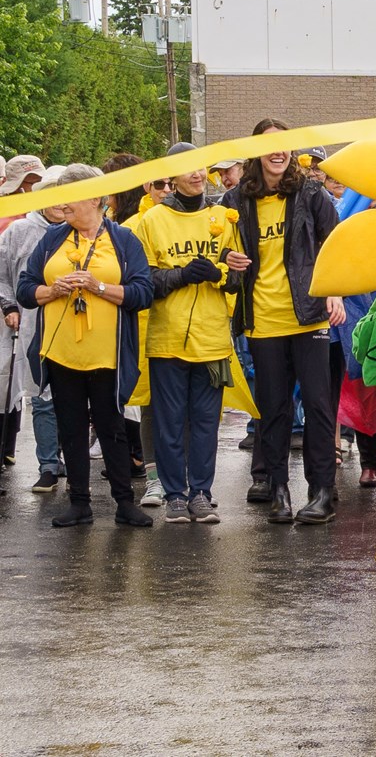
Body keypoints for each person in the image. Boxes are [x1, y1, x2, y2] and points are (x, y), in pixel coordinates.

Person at [222, 118, 345, 525]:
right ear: (254, 150)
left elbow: (337, 243)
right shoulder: (235, 200)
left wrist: (334, 290)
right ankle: (278, 491)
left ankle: (322, 493)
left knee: (318, 407)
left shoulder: (310, 192)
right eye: (270, 145)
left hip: (309, 318)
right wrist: (228, 261)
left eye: (286, 144)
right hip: (262, 321)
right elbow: (218, 251)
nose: (279, 152)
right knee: (272, 410)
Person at [18, 164, 155, 528]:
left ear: (96, 197)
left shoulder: (123, 240)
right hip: (61, 352)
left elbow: (143, 293)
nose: (63, 204)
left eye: (71, 195)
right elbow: (25, 288)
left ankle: (125, 503)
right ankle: (79, 503)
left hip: (107, 353)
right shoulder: (52, 239)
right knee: (71, 427)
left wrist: (98, 287)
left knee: (111, 427)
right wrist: (52, 290)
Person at [134, 164, 247, 523]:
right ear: (172, 178)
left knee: (204, 422)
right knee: (168, 422)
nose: (196, 175)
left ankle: (201, 492)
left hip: (211, 339)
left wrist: (222, 274)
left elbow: (240, 273)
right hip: (167, 338)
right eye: (186, 170)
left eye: (200, 168)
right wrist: (181, 275)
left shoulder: (224, 216)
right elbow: (144, 279)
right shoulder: (152, 219)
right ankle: (174, 495)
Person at [0, 174, 65, 492]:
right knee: (41, 395)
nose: (60, 202)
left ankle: (67, 458)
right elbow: (1, 273)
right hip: (30, 324)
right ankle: (48, 465)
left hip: (74, 325)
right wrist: (9, 305)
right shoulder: (19, 231)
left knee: (74, 397)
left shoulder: (82, 232)